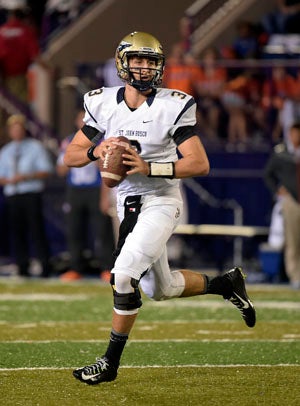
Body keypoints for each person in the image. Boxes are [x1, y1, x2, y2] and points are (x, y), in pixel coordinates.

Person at [63, 31, 256, 385]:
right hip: (127, 204)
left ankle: (109, 363)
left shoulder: (173, 104)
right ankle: (227, 283)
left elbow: (199, 164)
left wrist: (150, 167)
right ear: (123, 63)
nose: (146, 67)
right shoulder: (102, 102)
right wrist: (98, 150)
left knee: (123, 276)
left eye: (152, 61)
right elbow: (71, 155)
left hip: (162, 200)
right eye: (138, 60)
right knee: (159, 289)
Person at [56, 109, 115, 281]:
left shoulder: (102, 140)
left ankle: (107, 267)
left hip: (96, 188)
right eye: (80, 118)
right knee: (74, 229)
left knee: (102, 229)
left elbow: (106, 170)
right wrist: (74, 157)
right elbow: (61, 169)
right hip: (75, 190)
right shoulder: (69, 141)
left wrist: (105, 197)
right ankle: (75, 267)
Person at [0, 114, 53, 277]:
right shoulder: (6, 151)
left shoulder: (35, 147)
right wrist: (8, 180)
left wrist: (26, 177)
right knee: (16, 232)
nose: (16, 131)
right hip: (12, 194)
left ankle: (45, 266)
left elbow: (47, 170)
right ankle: (22, 267)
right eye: (13, 129)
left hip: (30, 193)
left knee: (36, 230)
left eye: (19, 128)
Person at [264, 122, 300, 289]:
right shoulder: (282, 152)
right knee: (292, 240)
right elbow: (268, 174)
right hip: (292, 200)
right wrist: (277, 190)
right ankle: (295, 276)